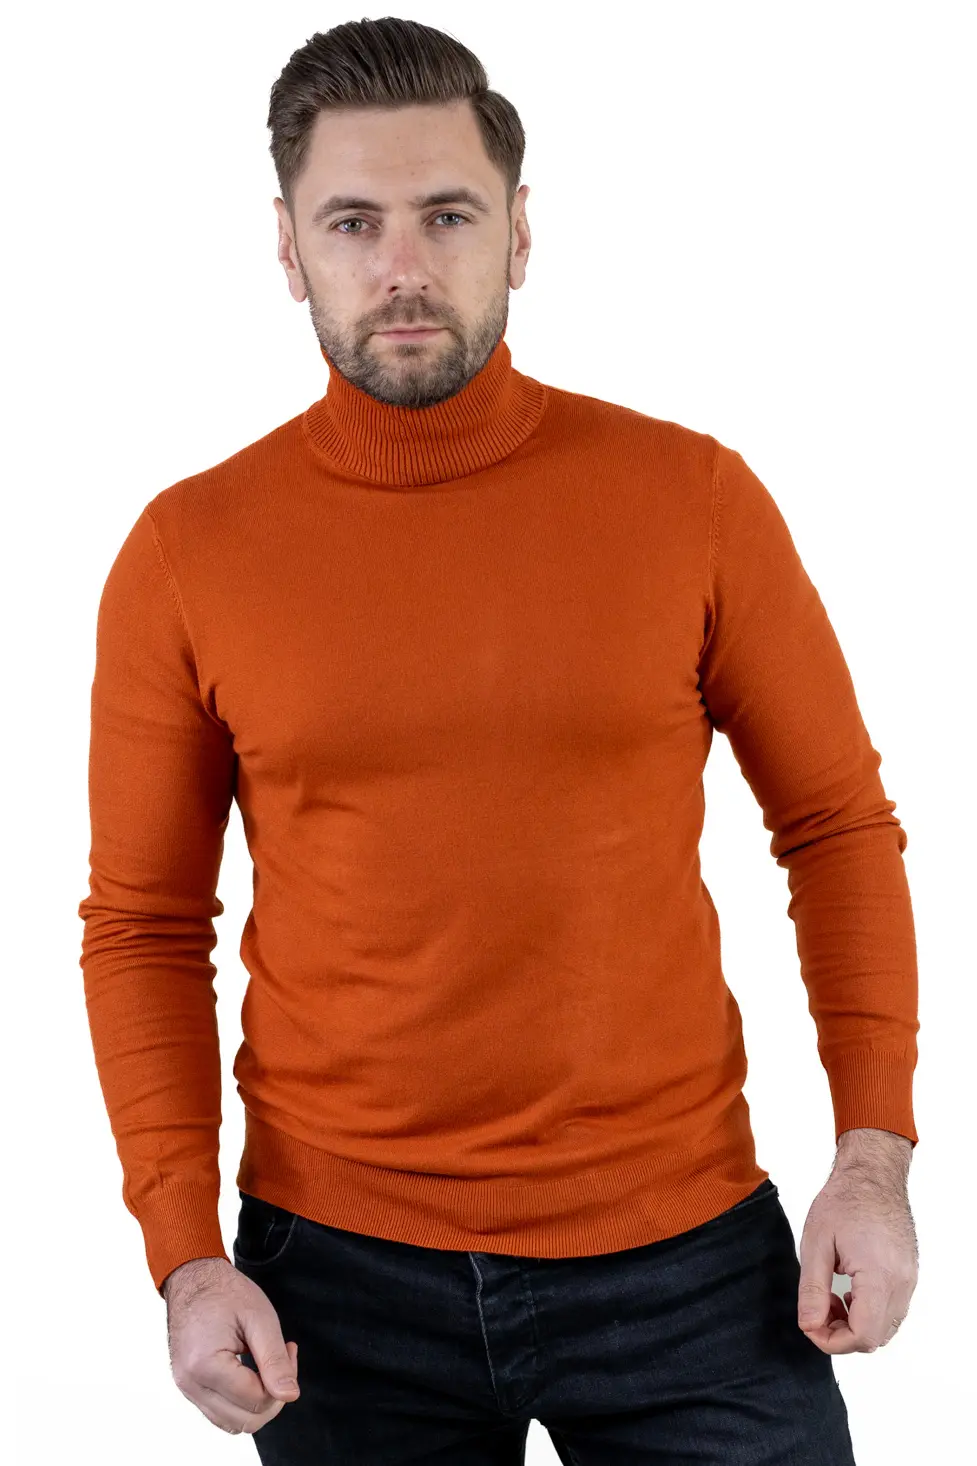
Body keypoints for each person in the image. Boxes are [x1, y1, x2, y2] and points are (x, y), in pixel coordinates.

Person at [77, 16, 919, 1464]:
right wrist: (184, 1250)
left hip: (685, 1250)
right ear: (287, 247)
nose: (403, 267)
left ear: (522, 232)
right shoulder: (186, 552)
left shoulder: (693, 500)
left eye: (449, 215)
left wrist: (872, 1154)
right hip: (333, 1275)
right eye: (353, 222)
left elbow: (836, 826)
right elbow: (145, 923)